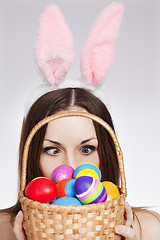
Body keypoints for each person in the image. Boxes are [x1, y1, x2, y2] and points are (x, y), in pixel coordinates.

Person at [0, 3, 160, 240]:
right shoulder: (3, 230)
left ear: (106, 151)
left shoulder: (148, 229)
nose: (72, 168)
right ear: (31, 152)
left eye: (87, 149)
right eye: (52, 150)